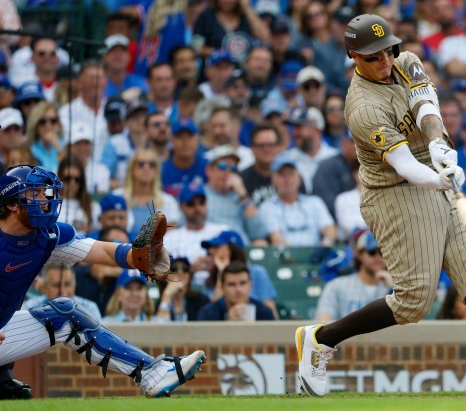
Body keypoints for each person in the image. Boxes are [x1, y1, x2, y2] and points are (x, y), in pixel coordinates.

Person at [294, 14, 466, 399]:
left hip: (429, 173)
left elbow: (427, 106)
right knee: (414, 301)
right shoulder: (363, 107)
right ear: (352, 57)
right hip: (395, 191)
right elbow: (405, 166)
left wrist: (438, 146)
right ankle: (320, 339)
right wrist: (439, 176)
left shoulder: (406, 60)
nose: (384, 60)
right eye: (372, 55)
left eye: (387, 50)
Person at [0, 165, 204, 398]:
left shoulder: (48, 236)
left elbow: (104, 253)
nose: (44, 200)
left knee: (65, 314)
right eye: (33, 194)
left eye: (44, 193)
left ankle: (152, 373)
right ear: (12, 203)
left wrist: (141, 257)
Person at [315, 230, 392, 322]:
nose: (378, 257)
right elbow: (323, 321)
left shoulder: (393, 289)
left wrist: (392, 289)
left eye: (382, 252)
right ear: (359, 254)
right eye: (371, 252)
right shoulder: (337, 286)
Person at [196, 261, 275, 321]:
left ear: (251, 285)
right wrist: (229, 325)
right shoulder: (208, 314)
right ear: (222, 288)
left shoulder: (264, 312)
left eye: (243, 283)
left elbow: (274, 341)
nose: (238, 290)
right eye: (232, 284)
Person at [22, 264, 101, 321]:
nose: (63, 293)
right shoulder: (29, 310)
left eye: (67, 284)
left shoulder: (90, 309)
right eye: (57, 285)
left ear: (75, 284)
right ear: (44, 287)